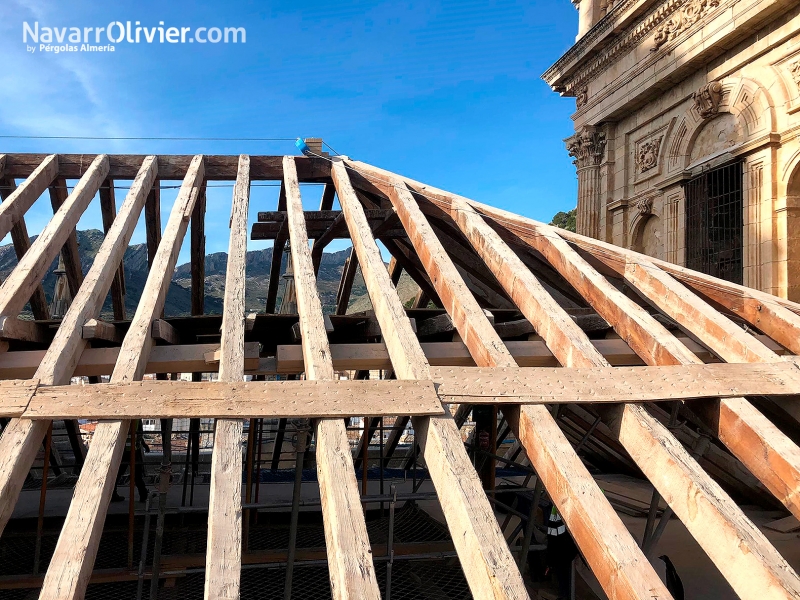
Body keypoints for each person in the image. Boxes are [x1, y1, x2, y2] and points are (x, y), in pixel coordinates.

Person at [111, 421, 149, 502]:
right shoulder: (135, 419)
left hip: (127, 450)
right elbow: (135, 433)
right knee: (137, 475)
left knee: (118, 474)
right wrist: (143, 444)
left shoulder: (134, 419)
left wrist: (143, 444)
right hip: (130, 451)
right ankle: (143, 495)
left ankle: (113, 494)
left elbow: (136, 434)